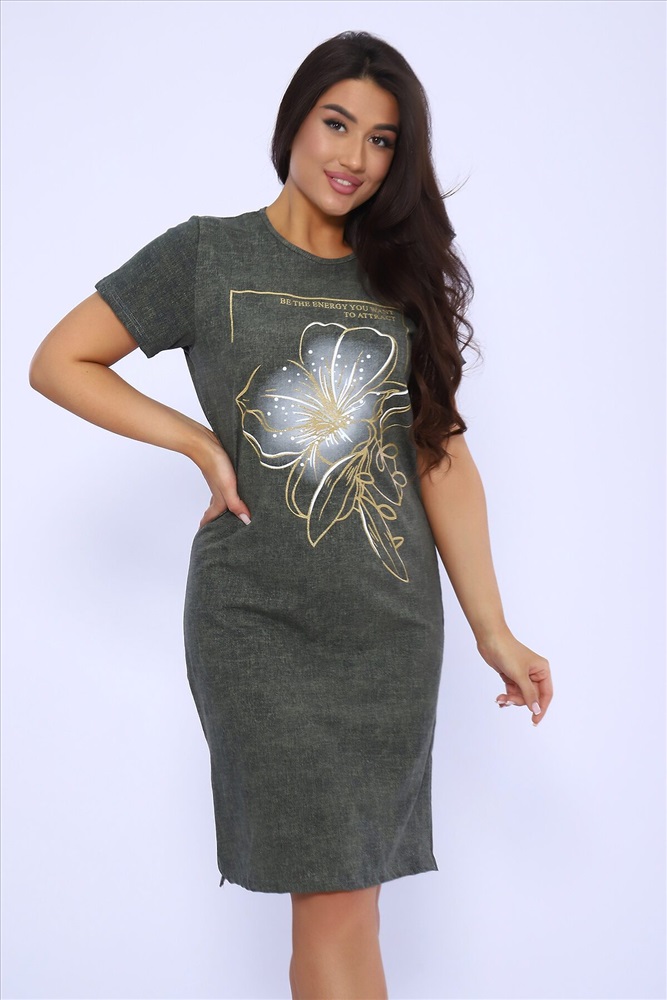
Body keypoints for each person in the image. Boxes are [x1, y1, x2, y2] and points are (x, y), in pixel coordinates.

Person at [29, 29, 552, 1000]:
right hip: (257, 627)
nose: (355, 157)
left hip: (387, 635)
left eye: (382, 140)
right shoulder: (206, 255)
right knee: (333, 901)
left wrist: (493, 628)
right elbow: (59, 360)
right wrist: (199, 443)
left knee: (350, 906)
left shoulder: (399, 278)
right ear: (294, 123)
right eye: (336, 124)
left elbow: (439, 455)